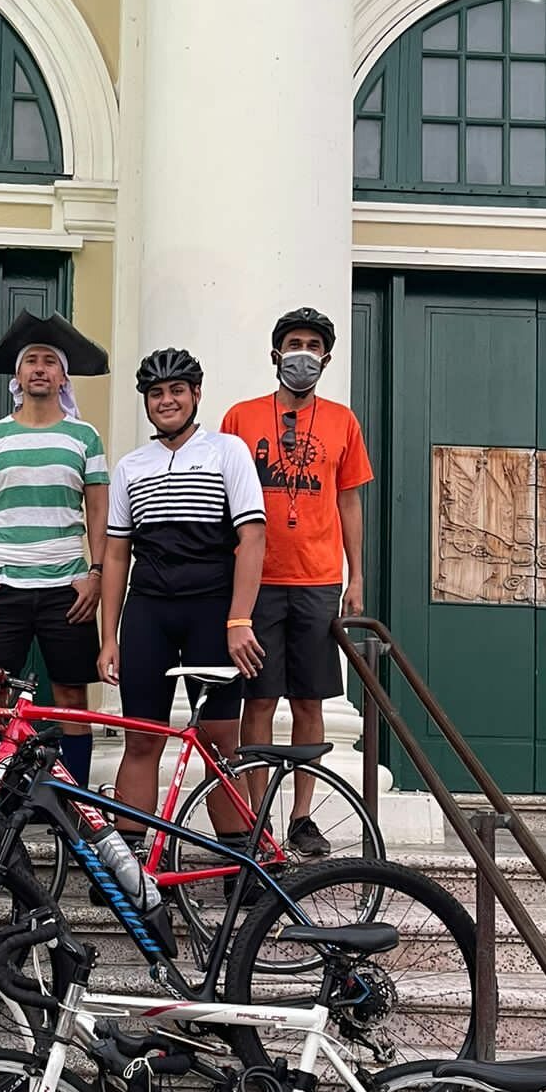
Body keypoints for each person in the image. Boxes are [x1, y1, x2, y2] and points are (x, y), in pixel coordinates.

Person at [221, 307, 373, 857]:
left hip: (317, 579)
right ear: (275, 353)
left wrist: (357, 576)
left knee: (309, 701)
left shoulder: (342, 422)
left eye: (313, 344)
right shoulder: (240, 417)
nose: (302, 353)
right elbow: (222, 497)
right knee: (258, 700)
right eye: (293, 343)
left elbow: (349, 499)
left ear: (326, 357)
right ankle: (257, 819)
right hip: (257, 582)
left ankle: (302, 817)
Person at [98, 347, 266, 842]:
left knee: (218, 744)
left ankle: (240, 861)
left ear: (196, 395)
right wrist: (108, 637)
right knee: (141, 738)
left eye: (176, 391)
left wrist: (239, 620)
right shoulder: (131, 465)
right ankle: (128, 867)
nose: (166, 400)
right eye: (156, 393)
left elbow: (252, 538)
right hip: (148, 609)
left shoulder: (227, 451)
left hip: (211, 610)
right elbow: (115, 555)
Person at [0, 309, 110, 788]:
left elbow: (99, 511)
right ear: (18, 375)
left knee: (70, 695)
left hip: (66, 587)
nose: (41, 368)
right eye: (32, 361)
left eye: (50, 361)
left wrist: (95, 574)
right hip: (1, 585)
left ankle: (77, 802)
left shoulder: (83, 436)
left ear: (63, 375)